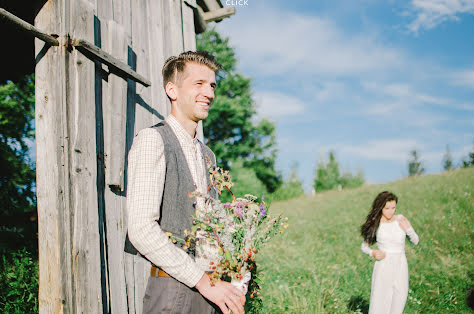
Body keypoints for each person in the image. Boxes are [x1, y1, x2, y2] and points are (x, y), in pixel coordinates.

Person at [126, 51, 245, 314]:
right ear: (172, 90)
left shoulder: (207, 155)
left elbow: (210, 227)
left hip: (211, 292)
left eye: (212, 85)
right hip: (173, 292)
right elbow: (141, 229)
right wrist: (202, 280)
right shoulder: (153, 140)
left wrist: (235, 270)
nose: (210, 93)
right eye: (199, 84)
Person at [360, 191, 419, 314]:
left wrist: (408, 229)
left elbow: (415, 241)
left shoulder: (400, 219)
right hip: (384, 265)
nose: (390, 211)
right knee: (380, 301)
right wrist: (373, 253)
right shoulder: (376, 224)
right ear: (380, 207)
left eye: (393, 208)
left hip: (401, 264)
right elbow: (364, 247)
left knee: (399, 297)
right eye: (387, 208)